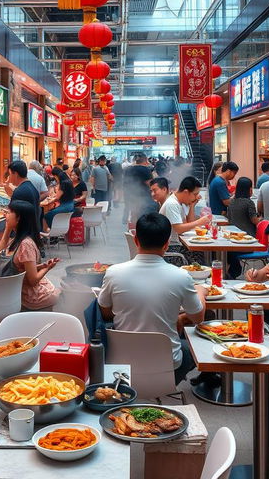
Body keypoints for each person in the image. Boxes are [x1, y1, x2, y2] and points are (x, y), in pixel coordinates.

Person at [98, 213, 206, 384]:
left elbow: (105, 311)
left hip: (121, 366)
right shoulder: (181, 277)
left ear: (136, 240)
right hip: (166, 367)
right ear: (166, 244)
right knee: (197, 343)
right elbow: (198, 318)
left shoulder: (113, 272)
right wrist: (201, 291)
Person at [0, 200, 59, 309]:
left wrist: (47, 268)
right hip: (15, 295)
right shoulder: (16, 239)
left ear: (19, 218)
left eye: (10, 211)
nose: (5, 213)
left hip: (32, 298)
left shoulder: (25, 245)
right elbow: (0, 254)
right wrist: (7, 228)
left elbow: (33, 280)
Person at [159, 176, 211, 243]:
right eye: (195, 194)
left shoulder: (180, 202)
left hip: (180, 242)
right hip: (173, 246)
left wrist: (192, 205)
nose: (197, 197)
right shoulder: (172, 203)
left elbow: (189, 223)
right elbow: (179, 229)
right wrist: (199, 222)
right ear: (186, 192)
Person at [126, 154, 156, 223]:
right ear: (146, 160)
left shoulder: (128, 169)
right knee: (143, 216)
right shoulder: (145, 169)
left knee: (133, 213)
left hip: (131, 195)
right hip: (144, 197)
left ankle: (134, 230)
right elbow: (150, 184)